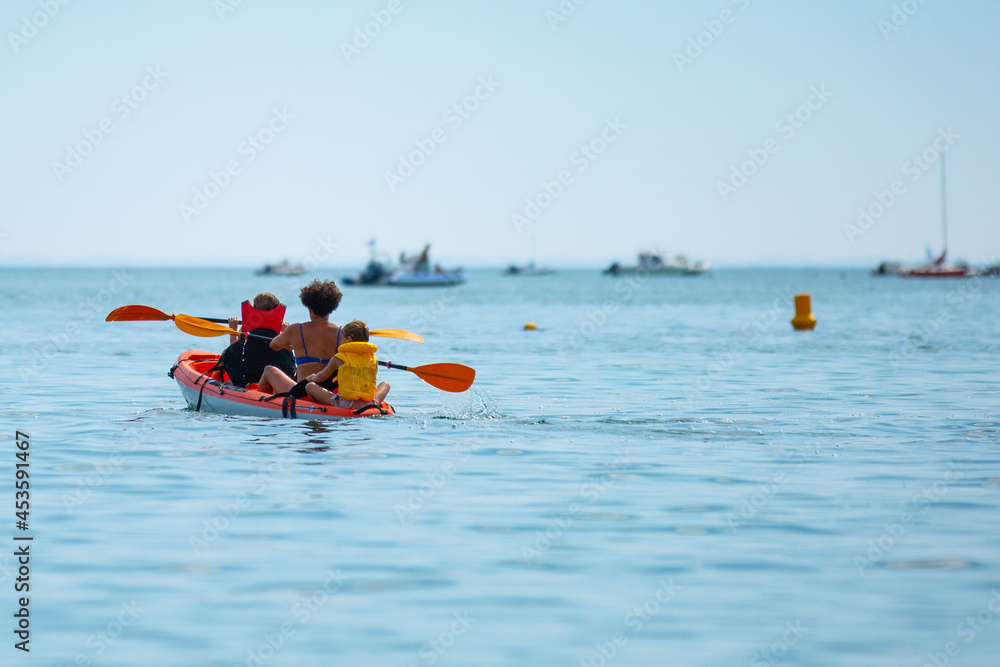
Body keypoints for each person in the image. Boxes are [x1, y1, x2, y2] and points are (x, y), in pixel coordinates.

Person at [258, 280, 343, 394]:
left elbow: (274, 345)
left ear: (309, 307)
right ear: (332, 307)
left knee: (268, 370)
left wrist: (289, 340)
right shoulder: (342, 332)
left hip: (303, 392)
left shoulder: (296, 329)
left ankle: (266, 405)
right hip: (329, 392)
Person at [303, 320, 390, 407]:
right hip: (368, 403)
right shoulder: (373, 358)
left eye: (342, 339)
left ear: (349, 339)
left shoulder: (339, 358)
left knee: (310, 386)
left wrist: (312, 378)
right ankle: (374, 404)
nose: (340, 342)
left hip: (346, 404)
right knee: (385, 385)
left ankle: (319, 406)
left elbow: (322, 377)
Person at [217, 292, 295, 387]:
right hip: (274, 382)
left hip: (248, 380)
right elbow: (290, 353)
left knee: (225, 353)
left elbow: (233, 354)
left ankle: (212, 381)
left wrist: (233, 330)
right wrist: (285, 331)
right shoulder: (280, 338)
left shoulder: (247, 334)